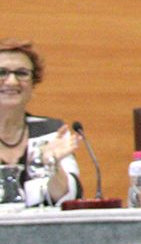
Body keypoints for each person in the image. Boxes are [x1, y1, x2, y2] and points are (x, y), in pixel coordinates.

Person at [0, 39, 82, 206]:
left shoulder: (51, 132)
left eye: (22, 73)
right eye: (2, 72)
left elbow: (66, 200)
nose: (12, 81)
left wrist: (54, 165)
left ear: (33, 85)